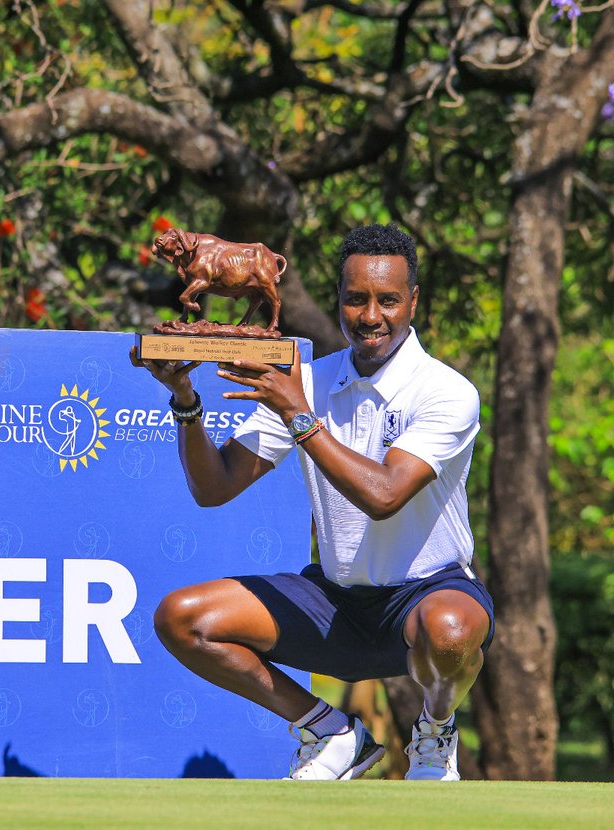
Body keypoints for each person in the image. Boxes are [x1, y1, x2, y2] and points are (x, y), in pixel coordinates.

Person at [130, 224, 494, 781]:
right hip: (336, 603)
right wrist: (185, 401)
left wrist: (299, 414)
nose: (371, 315)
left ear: (413, 301)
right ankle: (330, 733)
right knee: (183, 619)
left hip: (426, 597)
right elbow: (215, 487)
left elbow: (384, 495)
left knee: (450, 629)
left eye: (387, 300)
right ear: (339, 300)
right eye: (356, 299)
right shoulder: (311, 379)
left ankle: (434, 733)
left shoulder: (447, 391)